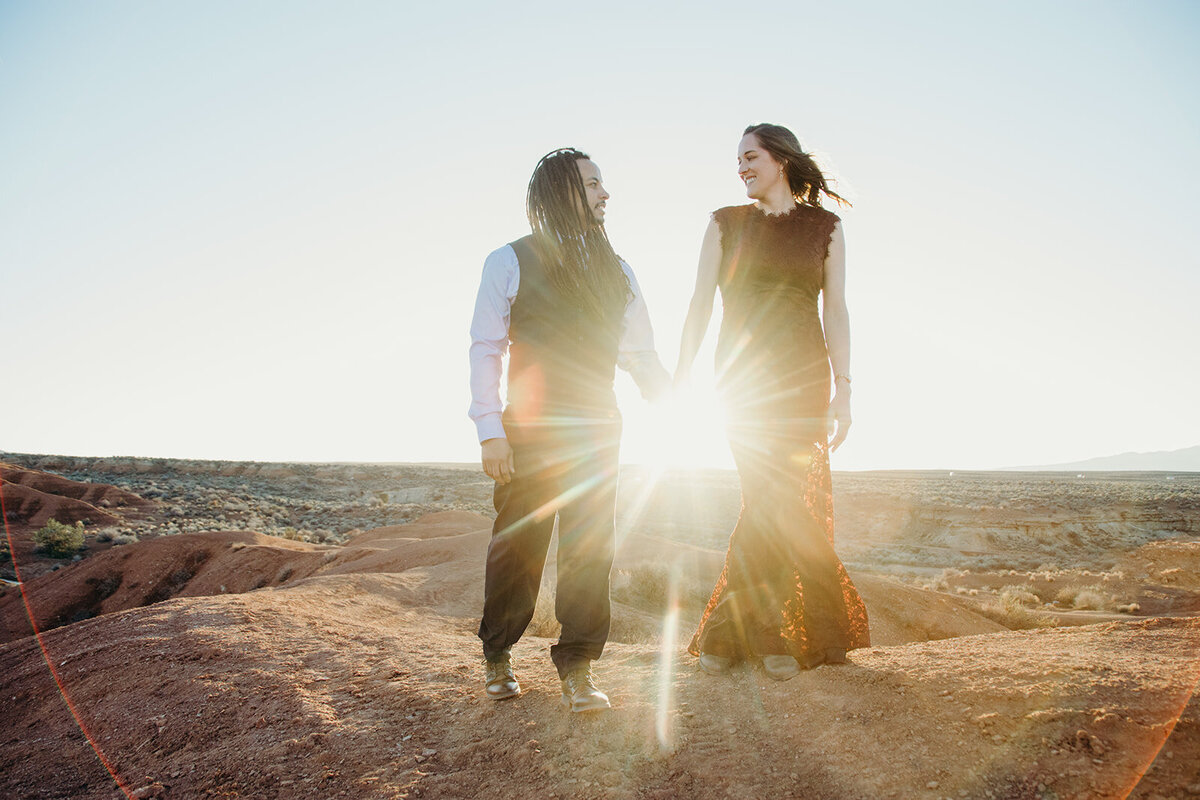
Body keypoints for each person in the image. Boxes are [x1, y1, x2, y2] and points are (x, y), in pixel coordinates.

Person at [469, 148, 669, 711]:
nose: (605, 194)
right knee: (518, 548)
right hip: (528, 431)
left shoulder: (619, 269)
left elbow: (640, 353)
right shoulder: (508, 260)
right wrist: (490, 429)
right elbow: (486, 348)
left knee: (589, 548)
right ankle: (498, 654)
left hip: (598, 430)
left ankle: (577, 666)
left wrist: (675, 399)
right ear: (561, 192)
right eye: (592, 184)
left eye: (603, 184)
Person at [675, 123, 870, 681]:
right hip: (741, 382)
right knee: (771, 500)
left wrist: (845, 389)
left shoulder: (824, 227)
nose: (740, 167)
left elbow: (836, 309)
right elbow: (697, 304)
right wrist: (682, 374)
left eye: (750, 156)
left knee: (776, 502)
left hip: (805, 379)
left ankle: (743, 636)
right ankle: (786, 635)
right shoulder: (724, 224)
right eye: (737, 159)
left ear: (781, 159)